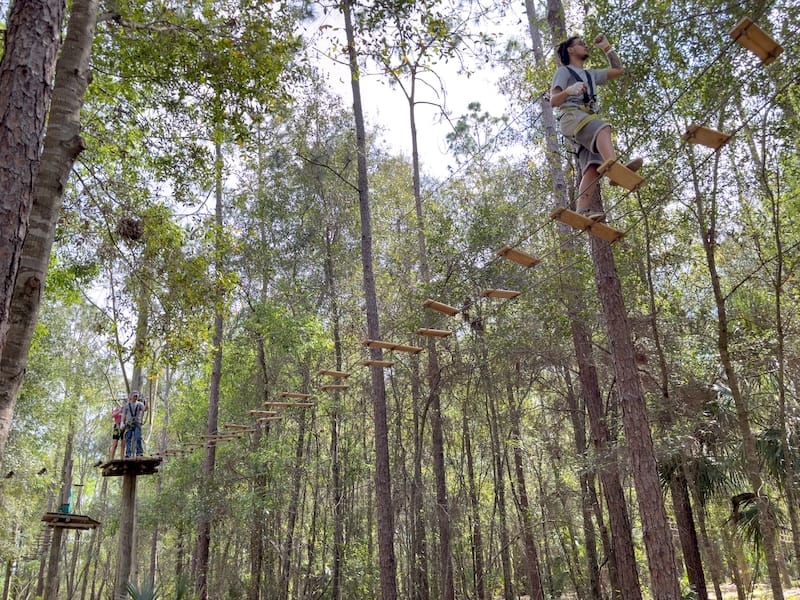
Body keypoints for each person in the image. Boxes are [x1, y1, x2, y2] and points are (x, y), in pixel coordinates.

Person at [550, 33, 642, 220]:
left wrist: (607, 48)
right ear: (570, 50)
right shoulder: (564, 72)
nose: (585, 46)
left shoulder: (591, 75)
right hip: (572, 116)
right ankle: (614, 168)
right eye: (580, 44)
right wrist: (568, 91)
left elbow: (618, 70)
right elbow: (553, 101)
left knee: (592, 167)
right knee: (602, 127)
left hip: (583, 119)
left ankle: (582, 211)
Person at [123, 390, 146, 458]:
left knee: (138, 437)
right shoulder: (127, 405)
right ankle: (128, 454)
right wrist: (122, 422)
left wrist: (146, 403)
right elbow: (124, 414)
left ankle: (139, 453)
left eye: (136, 396)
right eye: (134, 396)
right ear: (131, 396)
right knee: (128, 438)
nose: (135, 397)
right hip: (129, 423)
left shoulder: (140, 404)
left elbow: (144, 409)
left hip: (137, 423)